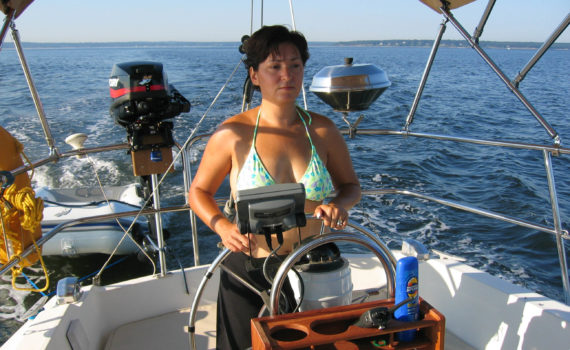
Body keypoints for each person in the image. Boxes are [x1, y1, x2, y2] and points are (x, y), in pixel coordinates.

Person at [188, 25, 361, 350]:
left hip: (312, 260)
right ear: (255, 75)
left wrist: (340, 203)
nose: (287, 75)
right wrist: (222, 226)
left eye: (295, 65)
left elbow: (351, 186)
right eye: (275, 67)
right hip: (251, 265)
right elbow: (198, 192)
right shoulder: (233, 134)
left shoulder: (322, 131)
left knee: (316, 344)